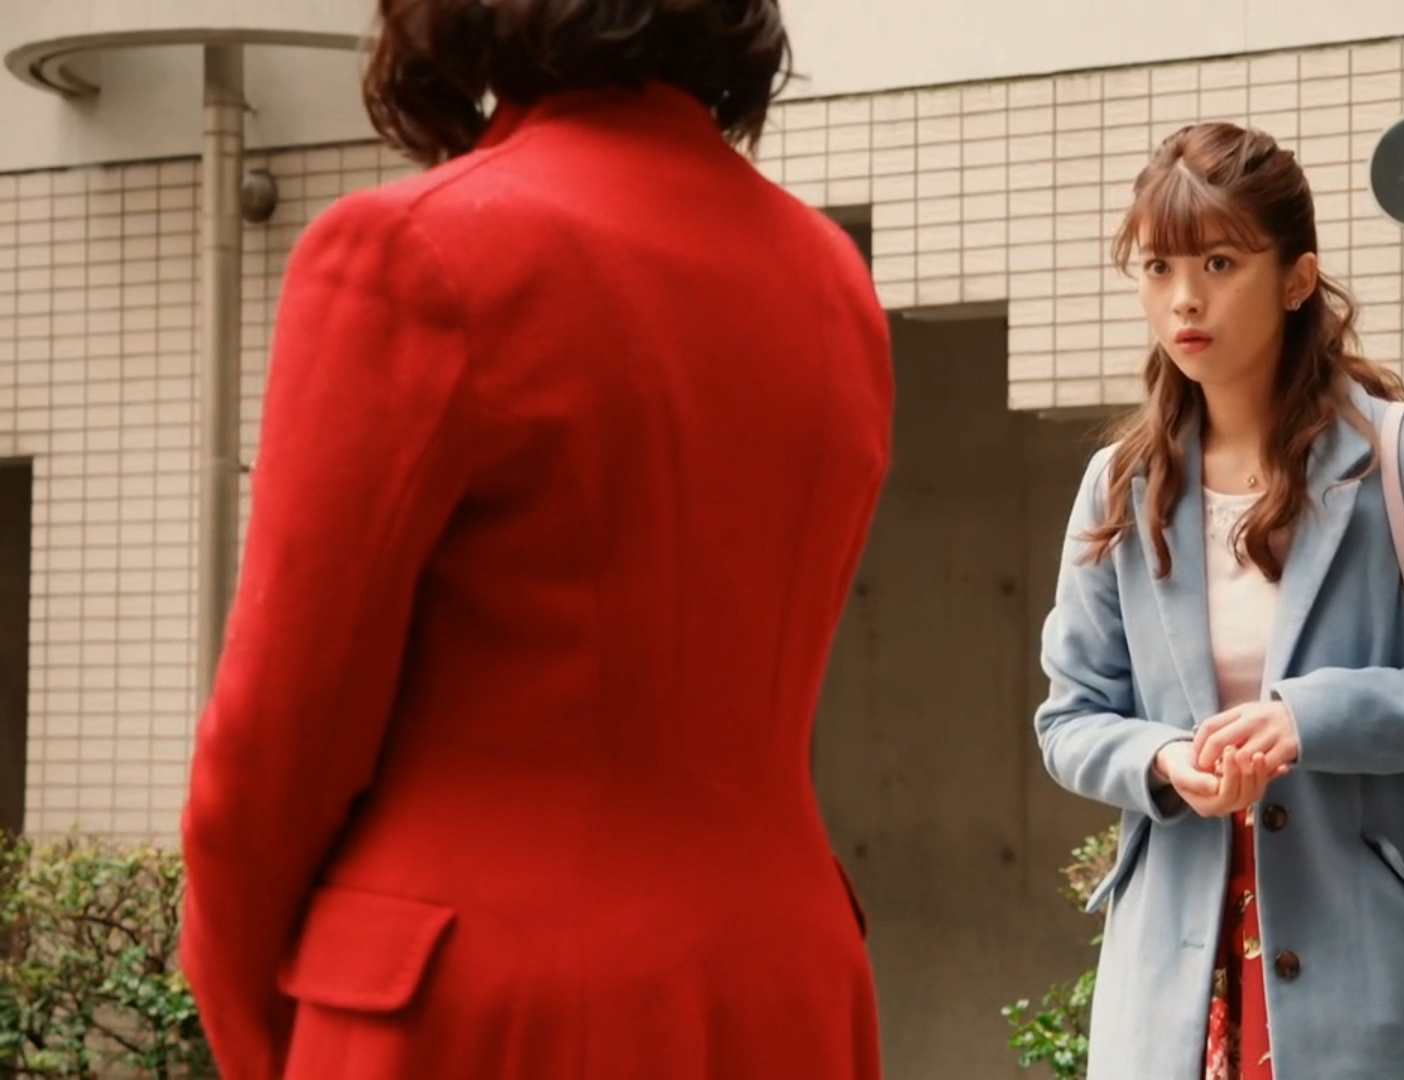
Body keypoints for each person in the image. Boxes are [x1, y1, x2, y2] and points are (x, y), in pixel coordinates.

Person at [177, 2, 892, 1078]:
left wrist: (262, 1033)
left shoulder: (412, 250)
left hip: (477, 1004)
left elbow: (278, 745)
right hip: (782, 989)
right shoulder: (830, 280)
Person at [1033, 121, 1404, 1080]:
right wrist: (1164, 760)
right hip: (1176, 984)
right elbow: (1069, 720)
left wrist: (1308, 719)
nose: (1184, 299)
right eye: (1157, 267)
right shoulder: (1121, 485)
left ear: (1297, 279)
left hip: (1378, 979)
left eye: (1220, 262)